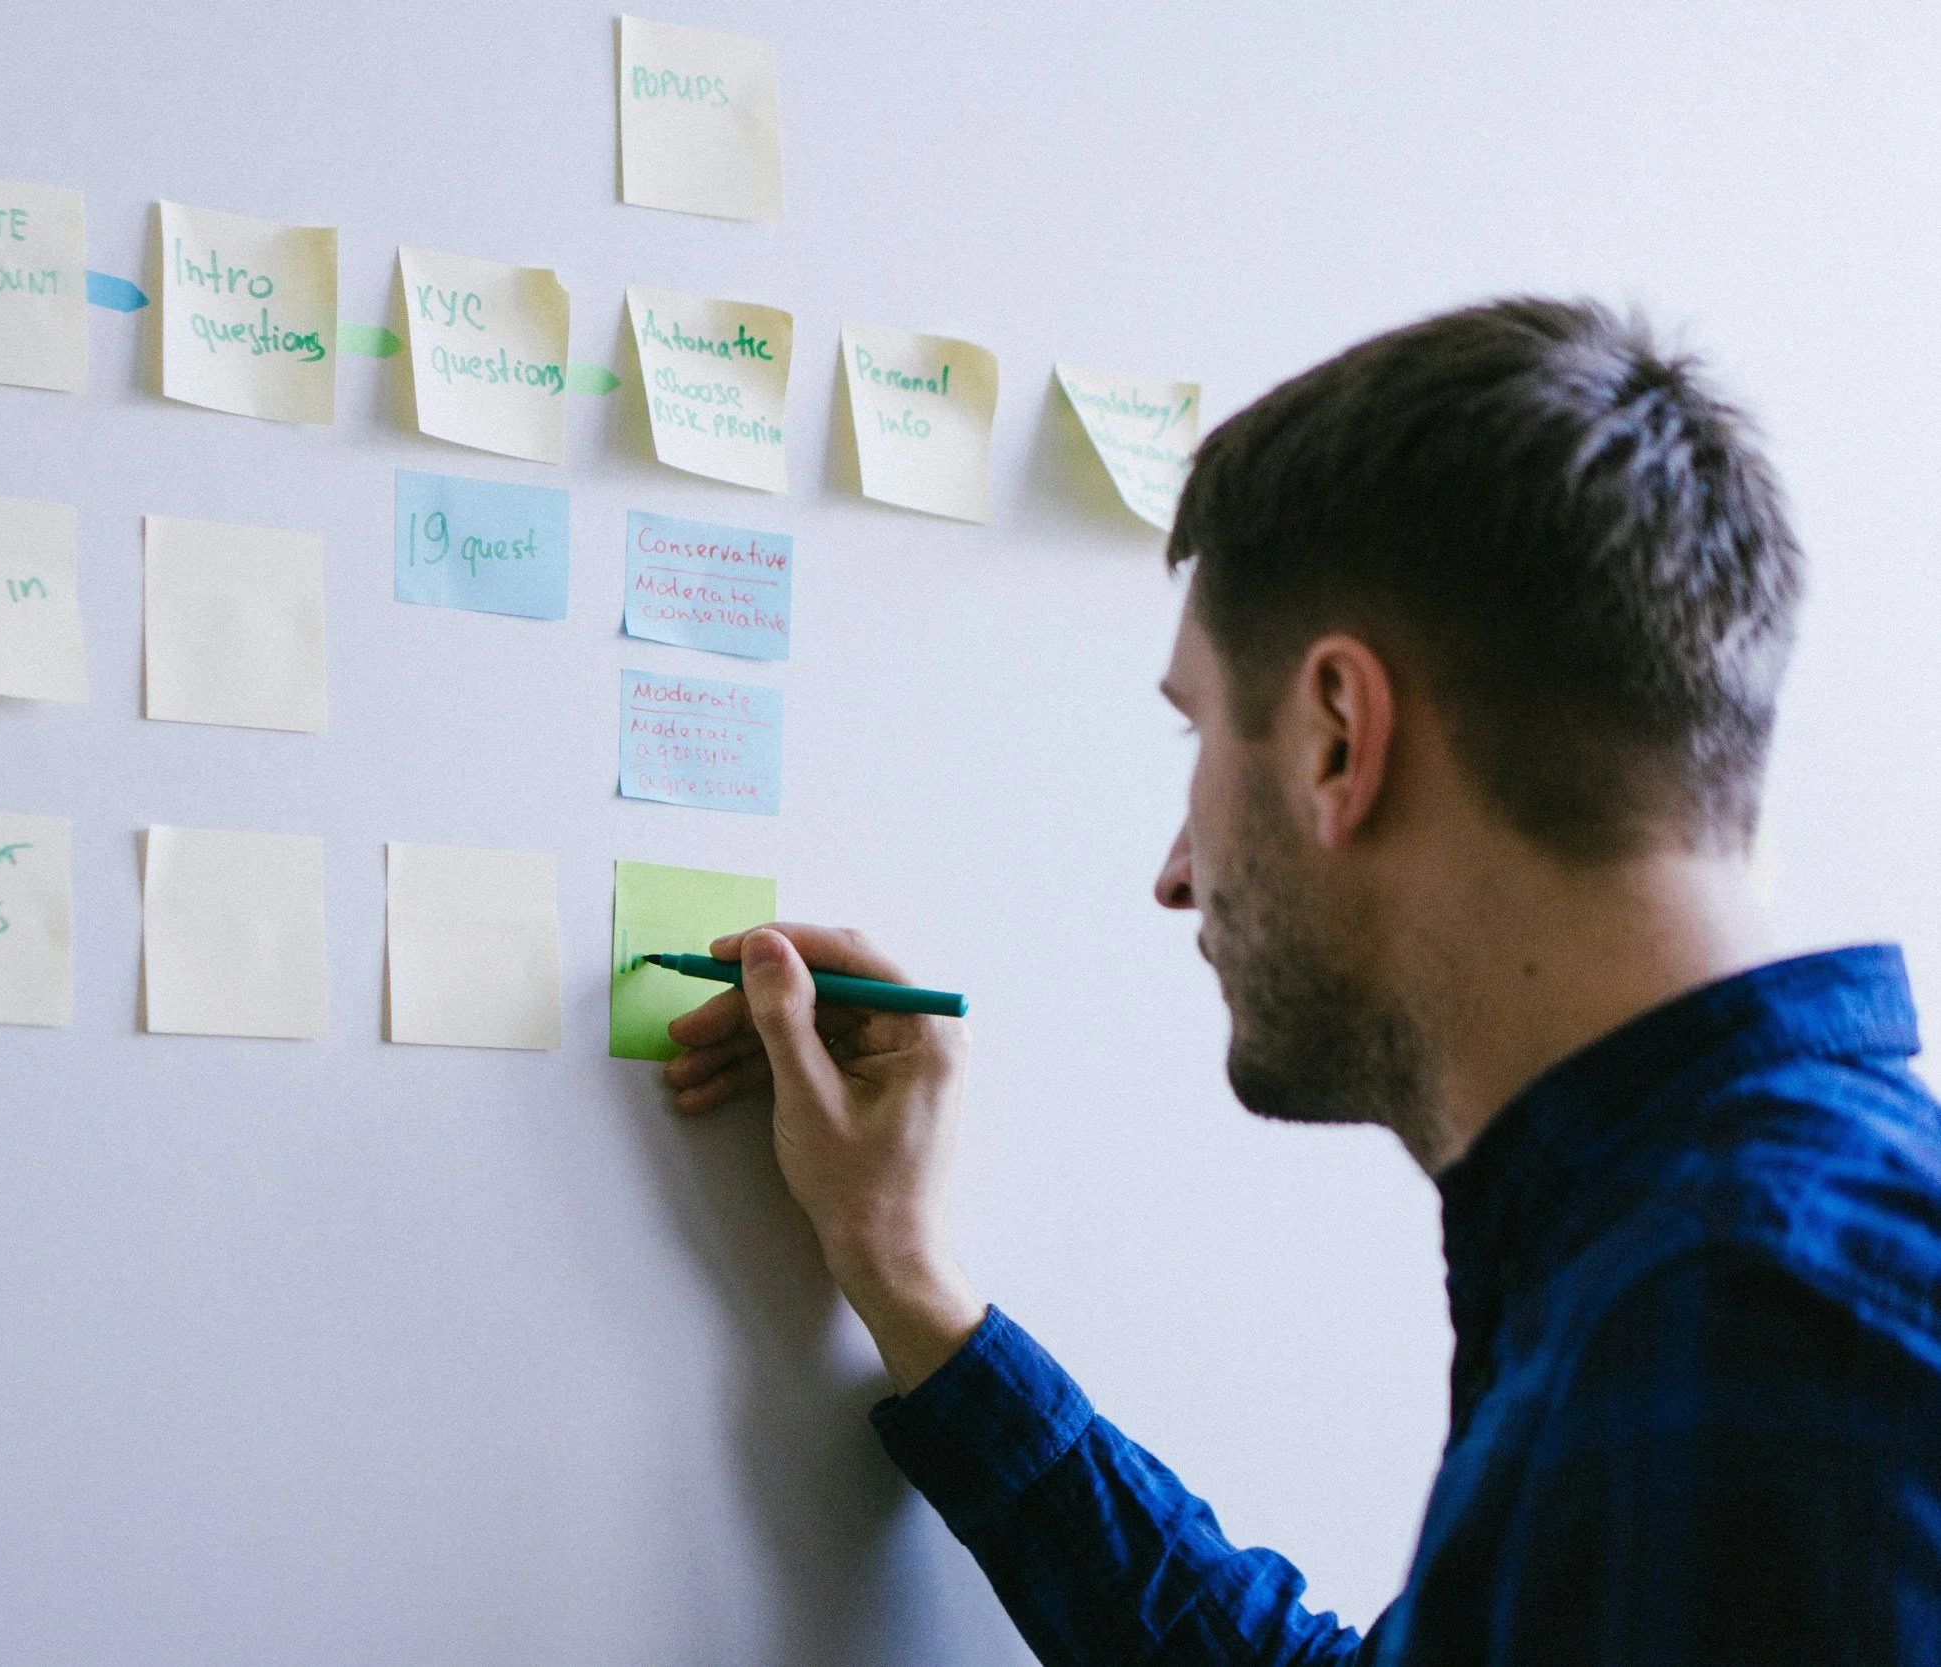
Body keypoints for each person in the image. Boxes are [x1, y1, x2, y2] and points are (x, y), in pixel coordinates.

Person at [659, 299, 1941, 1664]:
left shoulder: (1754, 1324)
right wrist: (903, 1275)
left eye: (1200, 732)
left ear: (1337, 737)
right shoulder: (1702, 1267)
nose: (1176, 873)